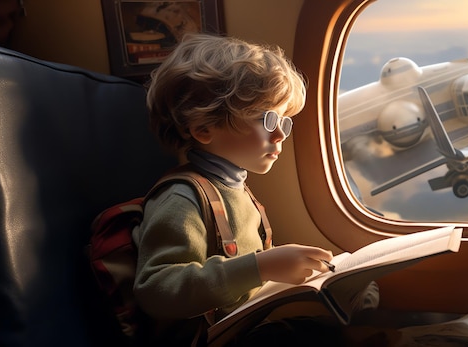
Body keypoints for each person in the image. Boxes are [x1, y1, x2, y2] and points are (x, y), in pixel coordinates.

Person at [133, 33, 378, 346]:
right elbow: (156, 289)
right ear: (204, 128)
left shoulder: (236, 189)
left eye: (285, 122)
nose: (280, 135)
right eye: (267, 119)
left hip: (248, 323)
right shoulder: (182, 199)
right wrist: (262, 267)